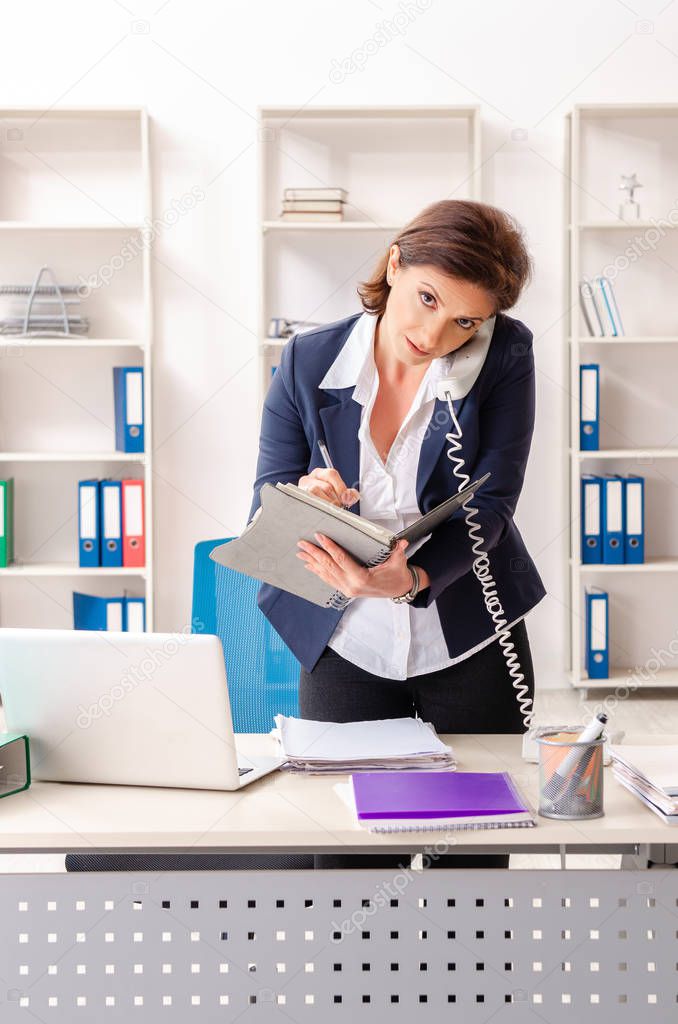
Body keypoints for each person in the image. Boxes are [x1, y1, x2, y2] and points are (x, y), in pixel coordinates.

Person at [249, 199, 546, 868]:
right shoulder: (307, 361)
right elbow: (266, 499)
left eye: (465, 320)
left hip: (467, 632)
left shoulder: (503, 357)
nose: (436, 333)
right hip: (344, 639)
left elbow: (493, 500)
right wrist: (304, 497)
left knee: (471, 865)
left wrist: (411, 578)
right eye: (427, 299)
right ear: (395, 262)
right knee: (350, 861)